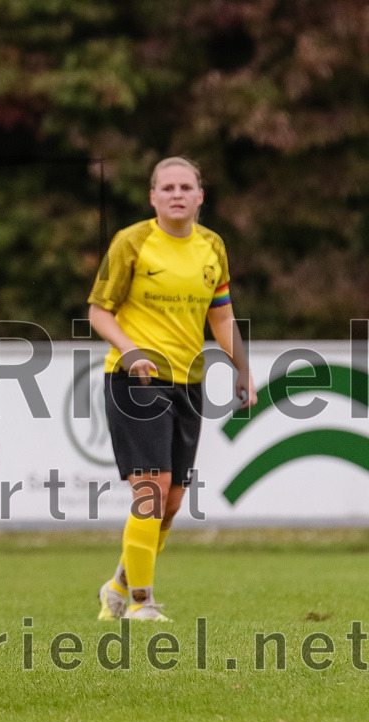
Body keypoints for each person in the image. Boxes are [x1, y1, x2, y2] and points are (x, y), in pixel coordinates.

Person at [87, 156, 257, 622]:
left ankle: (117, 587)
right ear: (153, 197)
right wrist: (129, 349)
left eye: (186, 187)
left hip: (189, 381)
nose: (177, 194)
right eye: (168, 188)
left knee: (173, 500)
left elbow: (220, 316)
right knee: (152, 490)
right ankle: (142, 603)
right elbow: (98, 311)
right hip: (135, 380)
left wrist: (242, 367)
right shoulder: (132, 242)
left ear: (201, 196)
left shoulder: (213, 247)